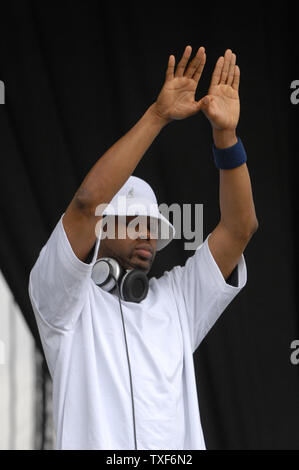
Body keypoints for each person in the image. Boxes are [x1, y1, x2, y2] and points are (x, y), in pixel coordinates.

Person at [28, 45, 258, 450]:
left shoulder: (177, 302)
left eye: (154, 227)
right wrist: (158, 116)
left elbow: (240, 229)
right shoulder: (62, 304)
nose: (148, 236)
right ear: (101, 228)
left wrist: (226, 136)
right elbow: (84, 204)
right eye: (134, 223)